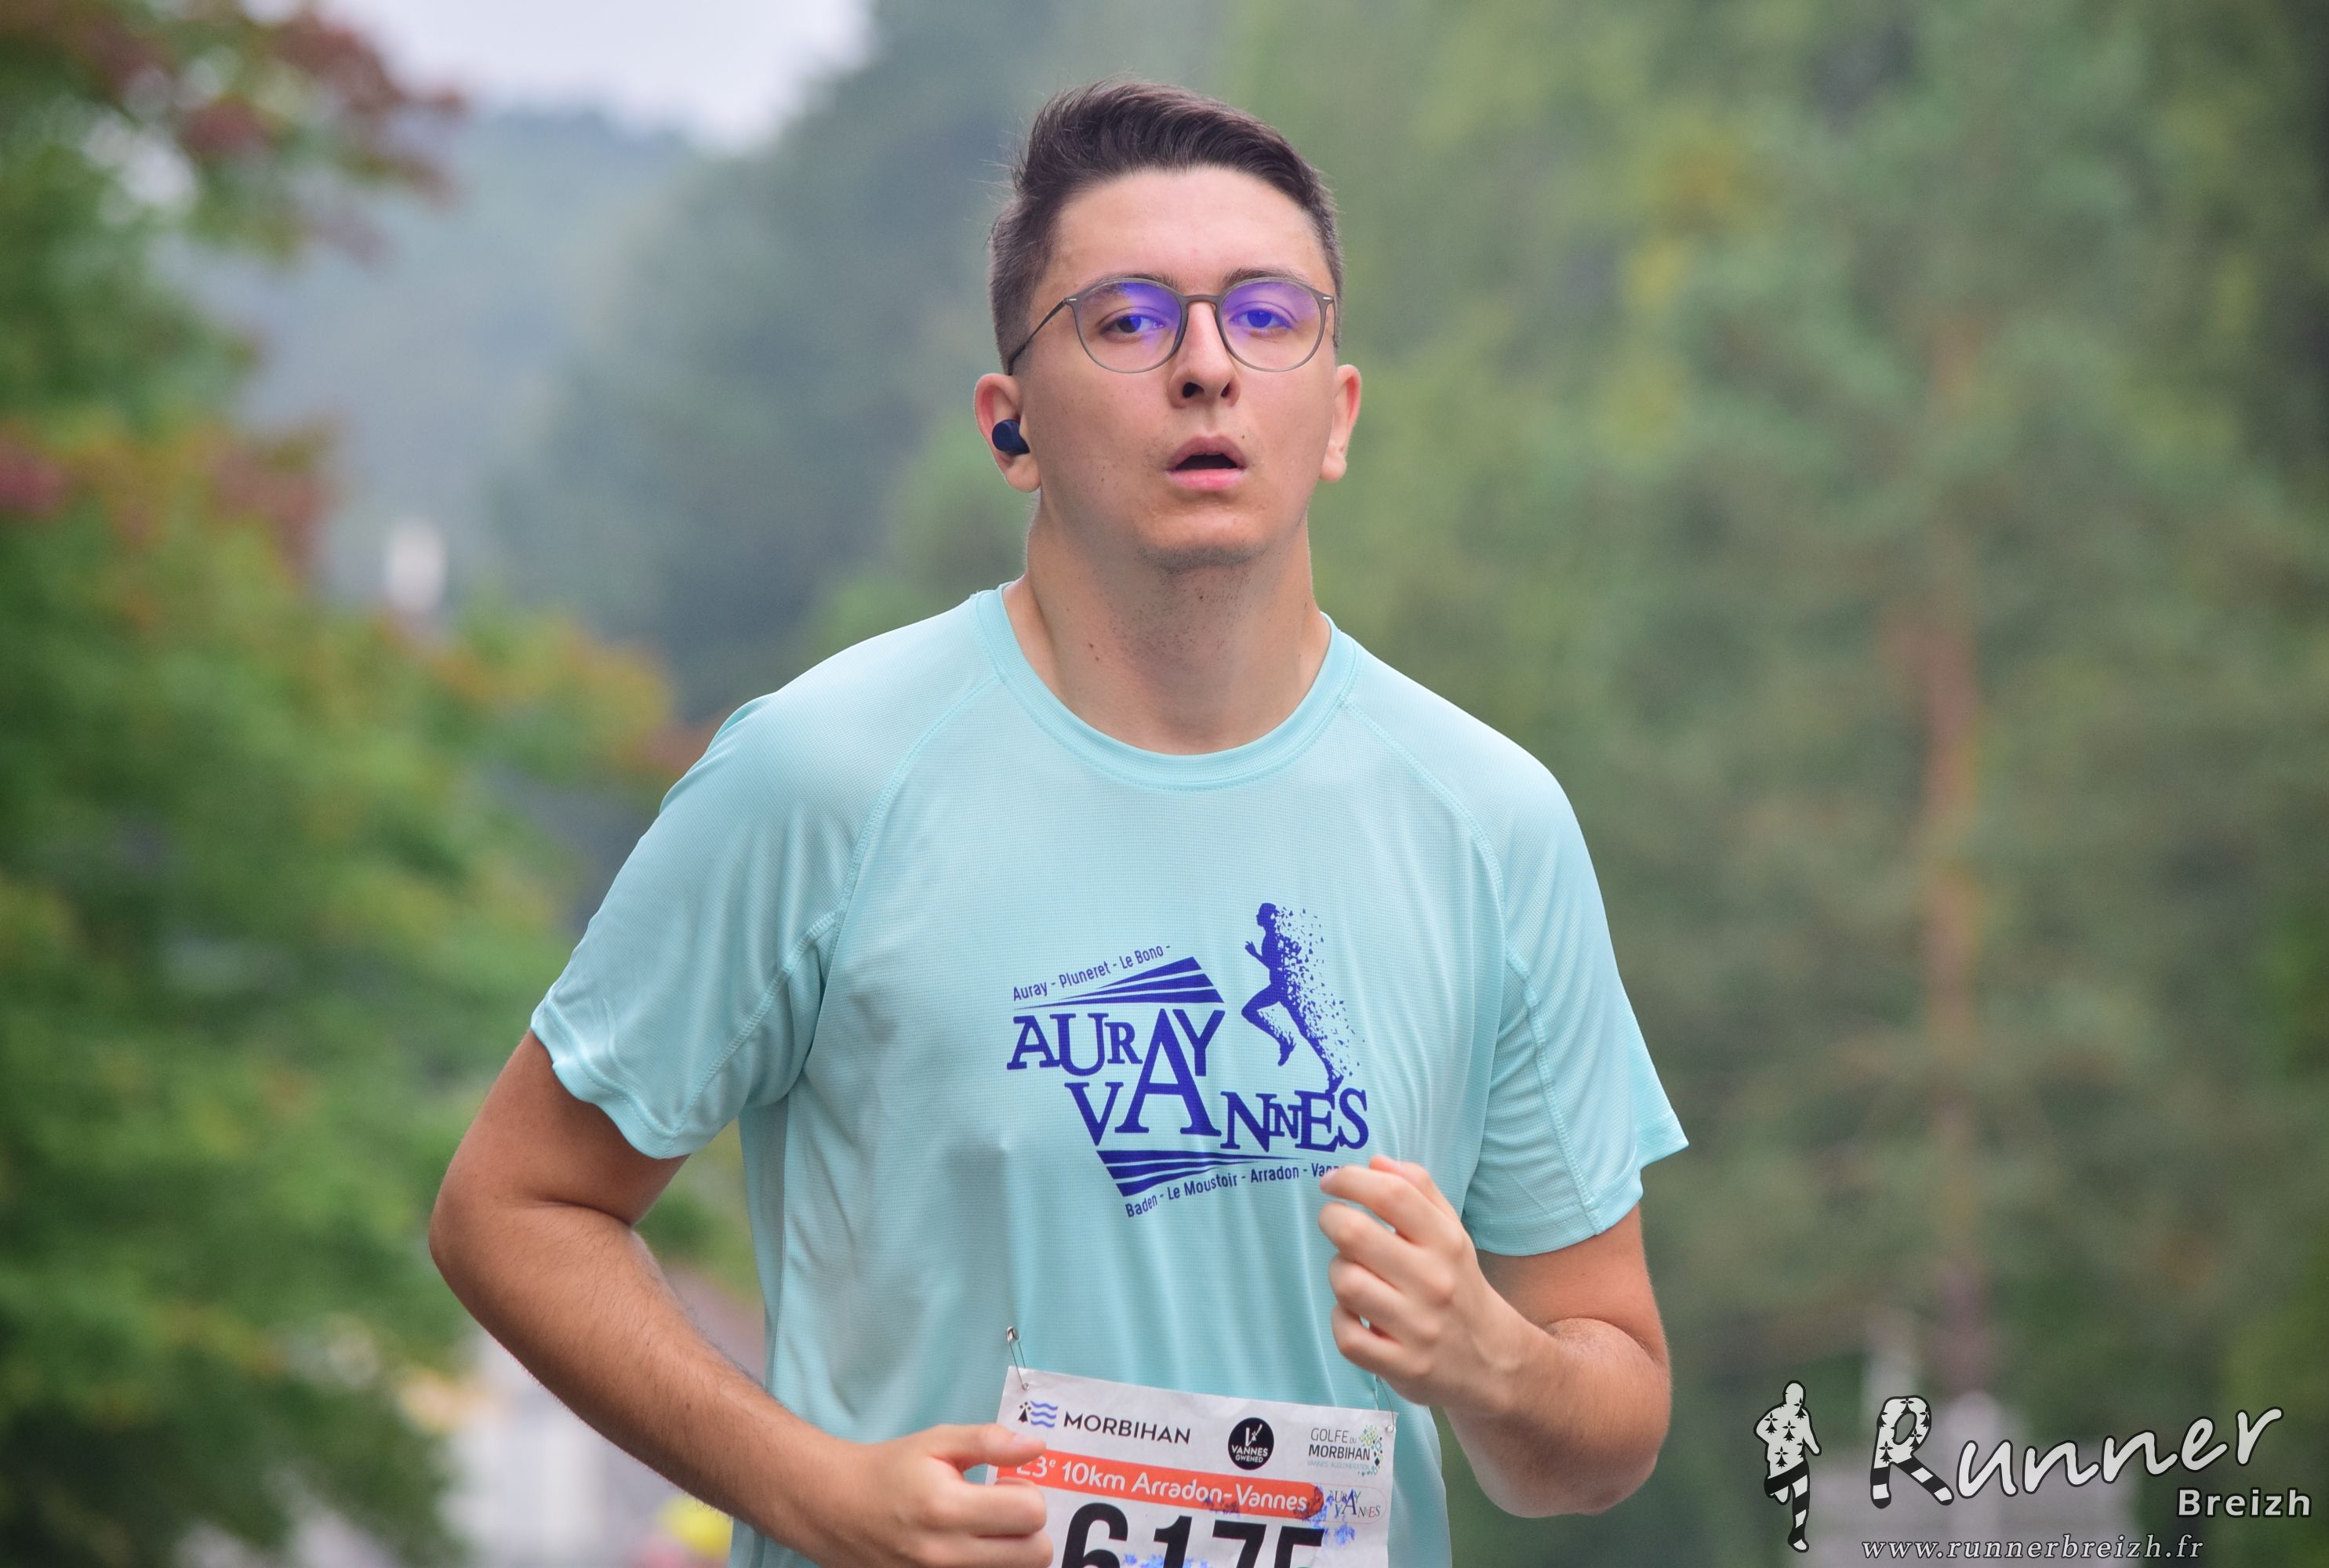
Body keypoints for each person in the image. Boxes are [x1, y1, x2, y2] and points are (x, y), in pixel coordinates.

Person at [429, 75, 1690, 1568]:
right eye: (1129, 321)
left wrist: (1494, 1361)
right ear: (1010, 425)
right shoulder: (823, 776)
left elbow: (1607, 1422)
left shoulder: (1490, 819)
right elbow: (513, 1207)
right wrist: (806, 1487)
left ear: (1338, 415)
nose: (1207, 368)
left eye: (1268, 316)